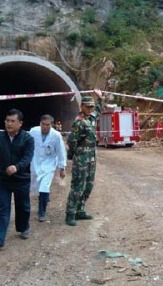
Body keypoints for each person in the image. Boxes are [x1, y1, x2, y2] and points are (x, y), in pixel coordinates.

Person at [0, 109, 34, 254]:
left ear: (20, 123)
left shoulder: (27, 139)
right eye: (7, 120)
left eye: (13, 121)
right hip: (3, 180)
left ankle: (23, 227)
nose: (9, 124)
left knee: (23, 207)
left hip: (21, 180)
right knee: (1, 210)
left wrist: (17, 167)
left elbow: (27, 157)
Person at [65, 89, 103, 226]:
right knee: (78, 186)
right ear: (82, 107)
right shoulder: (79, 122)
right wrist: (73, 154)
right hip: (82, 158)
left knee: (88, 185)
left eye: (91, 106)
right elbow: (72, 140)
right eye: (87, 106)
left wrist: (100, 98)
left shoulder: (91, 118)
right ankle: (70, 213)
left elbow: (99, 111)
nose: (90, 109)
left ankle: (80, 210)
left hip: (91, 158)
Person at [30, 114, 66, 222]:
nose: (45, 127)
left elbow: (61, 151)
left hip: (49, 164)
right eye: (43, 124)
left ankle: (42, 212)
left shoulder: (56, 135)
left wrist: (62, 167)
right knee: (36, 187)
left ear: (52, 125)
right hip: (35, 161)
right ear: (40, 123)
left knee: (44, 187)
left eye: (48, 125)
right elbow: (27, 145)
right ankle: (44, 198)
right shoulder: (33, 132)